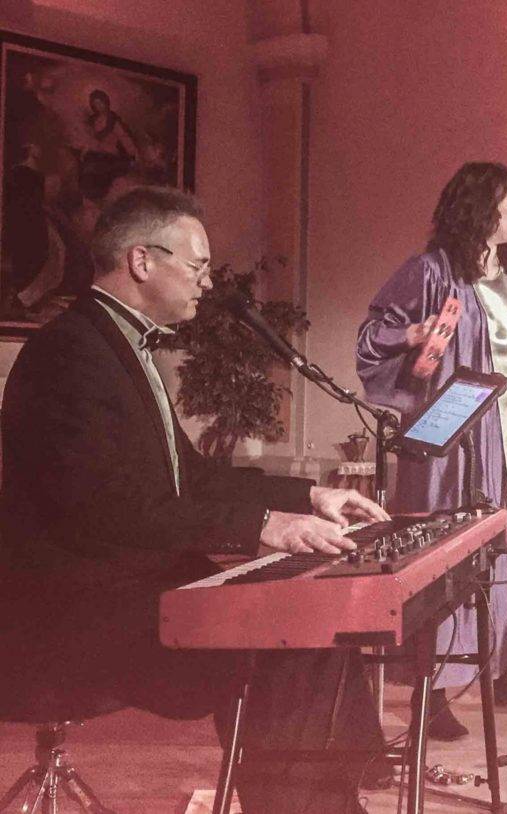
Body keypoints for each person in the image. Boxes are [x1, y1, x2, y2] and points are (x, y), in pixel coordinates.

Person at [0, 186, 391, 813]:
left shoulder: (114, 343)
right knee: (286, 638)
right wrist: (264, 524)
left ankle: (334, 796)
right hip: (70, 615)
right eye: (198, 265)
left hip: (123, 585)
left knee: (305, 624)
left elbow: (192, 475)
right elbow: (107, 510)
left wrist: (310, 496)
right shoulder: (70, 353)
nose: (207, 282)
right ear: (141, 261)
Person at [357, 161, 507, 739]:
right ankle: (437, 687)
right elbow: (372, 335)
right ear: (479, 208)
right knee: (450, 561)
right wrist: (410, 335)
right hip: (455, 445)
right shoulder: (433, 273)